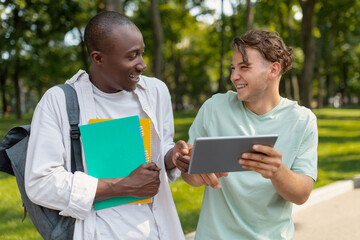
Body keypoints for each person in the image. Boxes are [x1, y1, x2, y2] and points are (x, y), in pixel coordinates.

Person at [25, 11, 185, 240]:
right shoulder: (59, 101)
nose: (143, 65)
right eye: (132, 56)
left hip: (158, 231)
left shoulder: (156, 92)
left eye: (142, 53)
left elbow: (160, 152)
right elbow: (40, 182)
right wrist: (122, 186)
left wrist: (173, 157)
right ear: (98, 58)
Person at [174, 29, 318, 239]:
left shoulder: (302, 120)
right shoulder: (215, 108)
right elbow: (193, 177)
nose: (234, 76)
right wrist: (189, 165)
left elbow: (302, 194)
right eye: (233, 68)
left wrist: (277, 171)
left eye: (244, 67)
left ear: (273, 70)